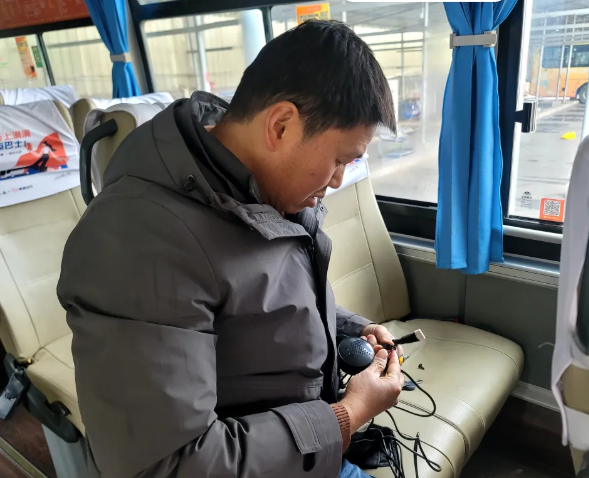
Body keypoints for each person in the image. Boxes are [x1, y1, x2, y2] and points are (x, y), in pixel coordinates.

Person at [58, 20, 403, 478]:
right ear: (280, 125)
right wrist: (347, 416)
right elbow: (168, 465)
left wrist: (350, 330)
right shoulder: (136, 242)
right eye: (339, 159)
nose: (338, 180)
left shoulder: (257, 190)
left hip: (303, 453)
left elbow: (266, 300)